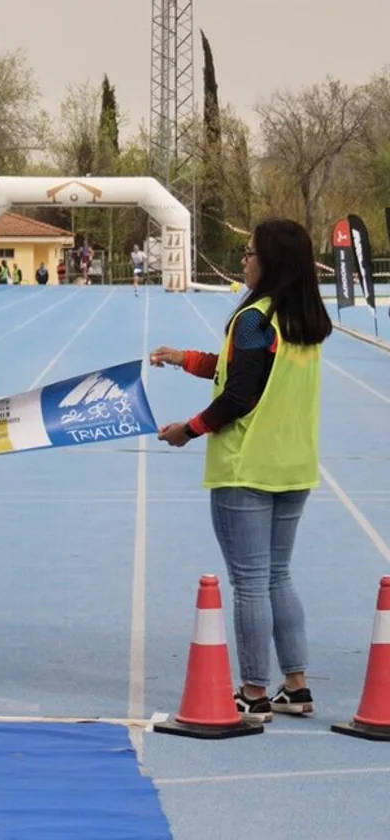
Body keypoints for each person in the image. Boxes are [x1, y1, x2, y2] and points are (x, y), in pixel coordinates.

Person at [149, 218, 331, 723]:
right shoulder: (303, 321)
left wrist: (189, 429)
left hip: (246, 465)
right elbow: (239, 370)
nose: (243, 260)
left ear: (270, 261)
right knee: (277, 576)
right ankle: (295, 685)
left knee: (250, 583)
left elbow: (239, 394)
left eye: (249, 253)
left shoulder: (254, 318)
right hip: (293, 464)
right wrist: (184, 357)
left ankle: (252, 691)